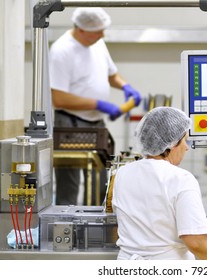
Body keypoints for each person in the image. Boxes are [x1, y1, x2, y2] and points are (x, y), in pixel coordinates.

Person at [49, 7, 141, 206]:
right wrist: (98, 104)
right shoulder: (61, 50)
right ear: (81, 29)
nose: (102, 35)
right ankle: (69, 230)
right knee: (69, 184)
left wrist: (125, 86)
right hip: (70, 124)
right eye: (97, 31)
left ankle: (97, 227)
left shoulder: (97, 43)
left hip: (96, 123)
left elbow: (111, 74)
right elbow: (58, 98)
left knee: (100, 181)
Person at [112, 107, 207, 260]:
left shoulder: (121, 173)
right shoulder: (181, 179)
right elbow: (196, 242)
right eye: (184, 140)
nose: (186, 147)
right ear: (171, 143)